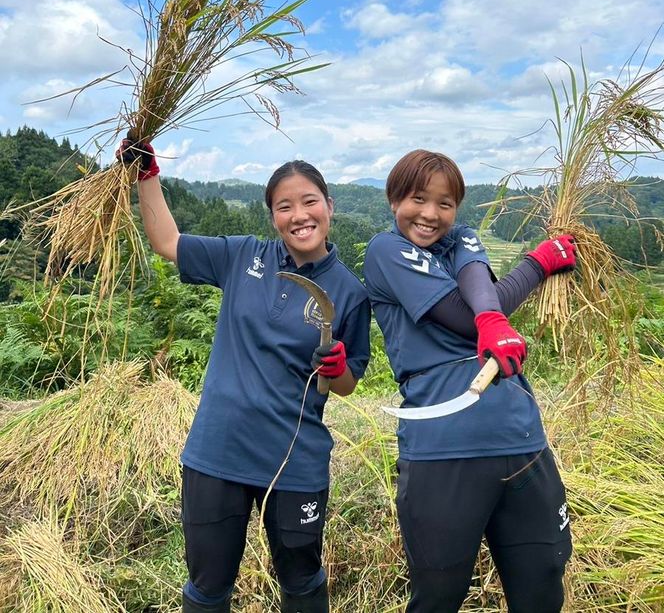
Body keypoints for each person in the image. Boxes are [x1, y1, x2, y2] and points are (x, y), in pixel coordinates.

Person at [118, 140, 371, 613]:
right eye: (284, 206)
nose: (299, 215)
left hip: (295, 462)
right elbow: (167, 242)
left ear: (330, 206)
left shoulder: (350, 292)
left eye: (310, 201)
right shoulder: (242, 256)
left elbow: (348, 381)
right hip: (217, 454)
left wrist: (336, 369)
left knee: (302, 583)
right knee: (207, 588)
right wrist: (147, 176)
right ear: (272, 216)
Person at [362, 149, 576, 613]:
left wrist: (491, 313)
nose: (430, 214)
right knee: (438, 596)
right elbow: (464, 317)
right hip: (443, 449)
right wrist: (535, 265)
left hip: (521, 439)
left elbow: (482, 292)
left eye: (445, 203)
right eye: (418, 199)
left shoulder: (463, 239)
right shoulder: (386, 250)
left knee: (543, 582)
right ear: (394, 199)